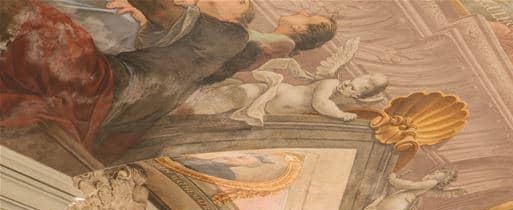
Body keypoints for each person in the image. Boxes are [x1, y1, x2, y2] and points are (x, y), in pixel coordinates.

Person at [0, 0, 334, 158]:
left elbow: (165, 13)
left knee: (40, 21)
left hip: (120, 85)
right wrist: (146, 19)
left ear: (304, 30)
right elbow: (165, 30)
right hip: (133, 97)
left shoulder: (249, 38)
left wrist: (152, 13)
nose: (301, 11)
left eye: (308, 15)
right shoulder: (232, 42)